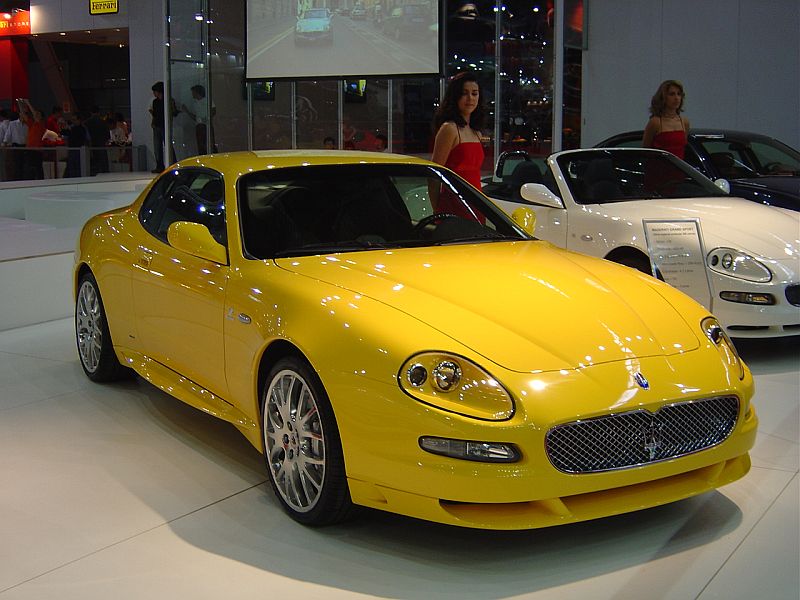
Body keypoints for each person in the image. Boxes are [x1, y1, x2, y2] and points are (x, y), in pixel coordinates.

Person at [430, 71, 487, 222]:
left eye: (475, 93)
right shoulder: (449, 128)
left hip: (477, 203)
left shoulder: (476, 132)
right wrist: (437, 210)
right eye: (464, 93)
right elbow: (434, 175)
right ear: (455, 96)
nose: (470, 99)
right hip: (454, 204)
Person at [642, 79, 690, 159]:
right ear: (663, 97)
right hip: (658, 168)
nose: (676, 98)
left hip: (678, 169)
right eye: (672, 94)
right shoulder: (655, 122)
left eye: (679, 94)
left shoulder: (684, 122)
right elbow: (646, 150)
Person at [149, 81, 178, 172]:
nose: (154, 93)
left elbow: (173, 112)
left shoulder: (168, 100)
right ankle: (160, 165)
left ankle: (172, 163)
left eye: (155, 91)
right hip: (158, 125)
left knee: (167, 145)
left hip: (164, 126)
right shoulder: (155, 102)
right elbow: (155, 114)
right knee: (157, 147)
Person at [181, 84, 216, 155]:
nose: (192, 94)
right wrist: (187, 111)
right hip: (199, 126)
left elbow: (213, 111)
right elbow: (196, 117)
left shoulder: (207, 100)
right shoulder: (195, 103)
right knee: (201, 146)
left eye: (193, 92)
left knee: (209, 145)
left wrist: (206, 118)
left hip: (206, 125)